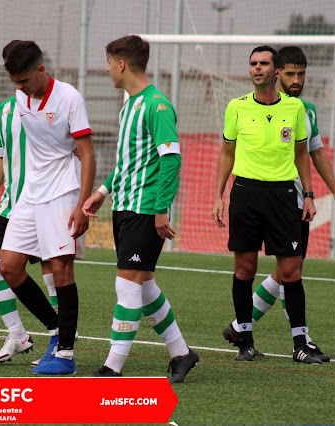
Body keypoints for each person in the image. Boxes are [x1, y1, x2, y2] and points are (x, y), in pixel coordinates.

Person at [82, 34, 199, 383]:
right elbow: (129, 162)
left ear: (120, 64)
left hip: (146, 210)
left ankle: (112, 368)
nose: (106, 70)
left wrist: (161, 209)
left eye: (108, 63)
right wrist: (103, 190)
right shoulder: (129, 105)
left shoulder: (156, 105)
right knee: (144, 283)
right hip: (124, 207)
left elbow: (171, 160)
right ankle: (182, 353)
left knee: (127, 286)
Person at [213, 45, 323, 364]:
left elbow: (302, 153)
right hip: (245, 194)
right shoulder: (236, 107)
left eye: (264, 63)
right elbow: (226, 153)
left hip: (283, 196)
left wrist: (310, 195)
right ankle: (245, 340)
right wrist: (218, 196)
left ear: (276, 71)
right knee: (244, 269)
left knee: (291, 270)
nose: (257, 68)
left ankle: (300, 344)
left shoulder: (295, 108)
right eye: (253, 63)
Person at [0, 40, 96, 375]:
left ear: (41, 70)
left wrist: (82, 205)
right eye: (15, 82)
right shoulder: (19, 95)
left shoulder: (69, 97)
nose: (19, 87)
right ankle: (57, 332)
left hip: (64, 190)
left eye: (23, 80)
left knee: (60, 269)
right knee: (8, 268)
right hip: (31, 192)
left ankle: (66, 355)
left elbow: (87, 152)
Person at [249, 46, 335, 362]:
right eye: (290, 73)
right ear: (277, 72)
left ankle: (244, 327)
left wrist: (334, 190)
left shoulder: (305, 109)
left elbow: (315, 152)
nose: (296, 80)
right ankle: (292, 340)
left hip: (295, 201)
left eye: (301, 74)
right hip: (262, 199)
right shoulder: (254, 106)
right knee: (285, 270)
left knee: (290, 269)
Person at [0, 40, 60, 365]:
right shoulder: (5, 110)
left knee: (51, 272)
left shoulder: (57, 103)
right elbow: (0, 156)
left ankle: (59, 338)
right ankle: (18, 334)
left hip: (45, 202)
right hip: (11, 203)